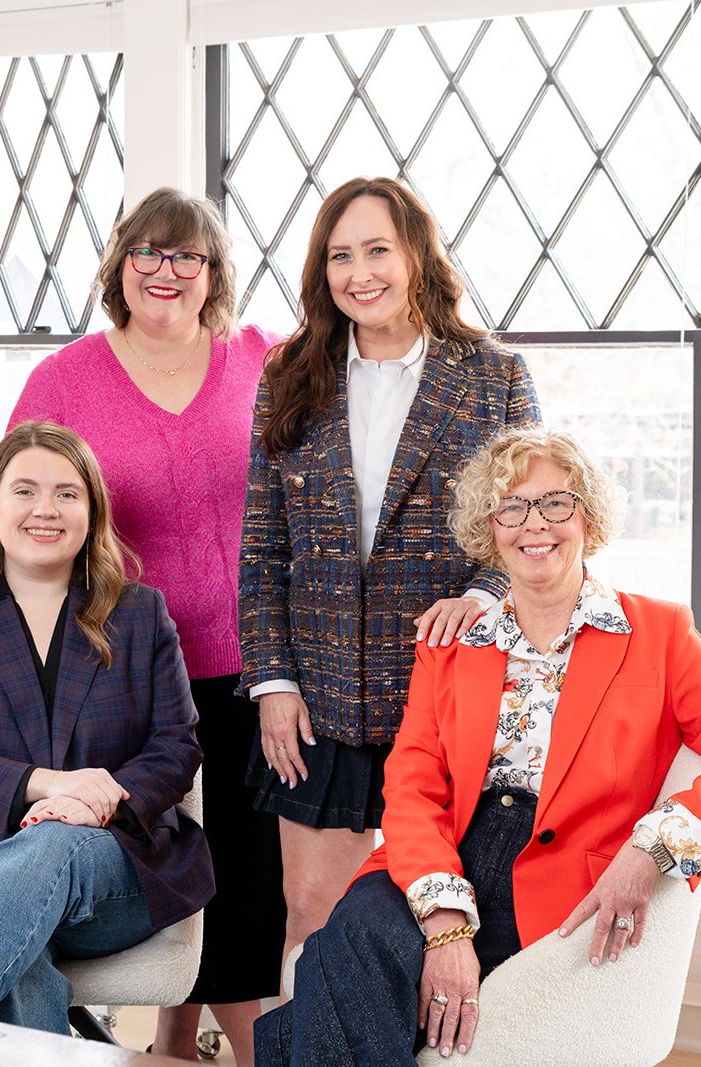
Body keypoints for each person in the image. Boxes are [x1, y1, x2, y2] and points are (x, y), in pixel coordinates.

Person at [255, 427, 701, 1064]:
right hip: (443, 853)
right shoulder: (452, 643)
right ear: (490, 531)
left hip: (562, 873)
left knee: (327, 982)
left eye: (555, 503)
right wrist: (444, 923)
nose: (533, 524)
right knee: (349, 942)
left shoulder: (660, 632)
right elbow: (413, 782)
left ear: (588, 518)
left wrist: (654, 847)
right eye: (510, 507)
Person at [238, 176, 541, 980]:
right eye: (340, 255)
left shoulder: (492, 377)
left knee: (434, 916)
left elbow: (528, 518)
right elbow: (263, 546)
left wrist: (483, 591)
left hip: (444, 692)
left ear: (416, 257)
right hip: (318, 701)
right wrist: (271, 679)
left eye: (378, 249)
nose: (359, 272)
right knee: (311, 912)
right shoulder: (287, 375)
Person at [9, 187, 281, 1061]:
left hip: (254, 667)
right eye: (148, 254)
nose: (166, 272)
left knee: (248, 874)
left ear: (213, 273)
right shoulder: (65, 378)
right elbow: (21, 517)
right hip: (125, 670)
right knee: (169, 859)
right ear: (119, 267)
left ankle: (230, 1048)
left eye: (187, 256)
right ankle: (171, 1037)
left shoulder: (261, 357)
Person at [0, 421, 214, 1035]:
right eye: (25, 490)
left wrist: (100, 800)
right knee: (17, 959)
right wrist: (45, 784)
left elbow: (176, 746)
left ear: (92, 512)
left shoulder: (140, 614)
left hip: (111, 863)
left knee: (45, 852)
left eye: (67, 493)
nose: (45, 510)